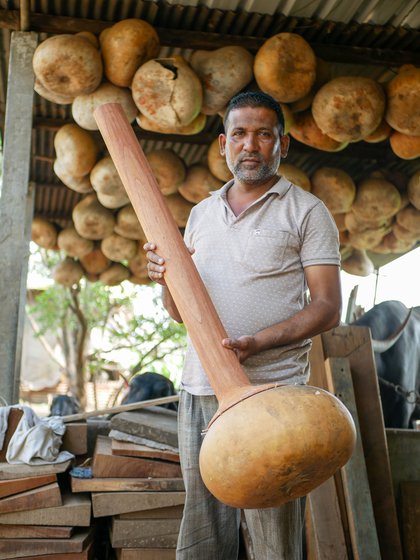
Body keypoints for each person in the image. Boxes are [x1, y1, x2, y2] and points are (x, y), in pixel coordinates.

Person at [144, 91, 342, 560]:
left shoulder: (307, 212)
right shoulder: (199, 215)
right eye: (239, 134)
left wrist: (259, 342)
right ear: (222, 144)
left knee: (272, 532)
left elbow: (328, 307)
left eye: (262, 134)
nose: (249, 144)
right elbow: (179, 312)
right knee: (205, 526)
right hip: (201, 388)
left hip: (273, 392)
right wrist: (163, 279)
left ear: (283, 144)